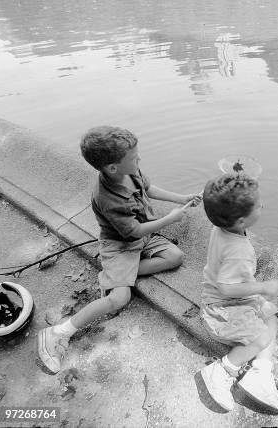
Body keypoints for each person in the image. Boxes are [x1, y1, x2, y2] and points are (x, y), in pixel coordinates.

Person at [37, 126, 201, 374]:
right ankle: (59, 332)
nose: (139, 160)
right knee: (119, 298)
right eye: (134, 157)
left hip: (143, 234)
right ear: (112, 167)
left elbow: (149, 188)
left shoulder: (130, 171)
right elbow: (132, 232)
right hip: (121, 245)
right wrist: (169, 219)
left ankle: (117, 277)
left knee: (175, 257)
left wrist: (182, 198)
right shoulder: (108, 197)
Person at [198, 173, 278, 414]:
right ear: (241, 221)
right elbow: (226, 287)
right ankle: (223, 370)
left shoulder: (221, 228)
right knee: (262, 337)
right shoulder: (239, 250)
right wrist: (263, 287)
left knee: (271, 315)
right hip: (222, 310)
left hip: (224, 299)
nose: (263, 206)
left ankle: (260, 371)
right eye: (258, 205)